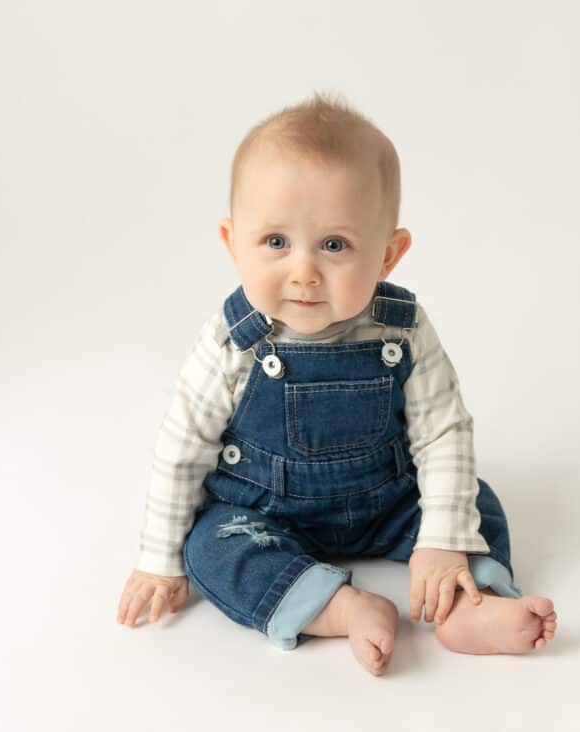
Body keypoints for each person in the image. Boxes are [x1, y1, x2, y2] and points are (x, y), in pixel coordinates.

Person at [116, 91, 557, 676]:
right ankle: (335, 606)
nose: (303, 271)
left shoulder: (402, 327)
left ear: (388, 255)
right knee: (208, 548)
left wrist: (442, 537)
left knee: (473, 498)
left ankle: (469, 600)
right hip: (265, 512)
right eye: (276, 242)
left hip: (387, 498)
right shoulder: (233, 340)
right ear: (232, 243)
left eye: (334, 245)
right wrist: (156, 560)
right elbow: (182, 449)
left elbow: (442, 431)